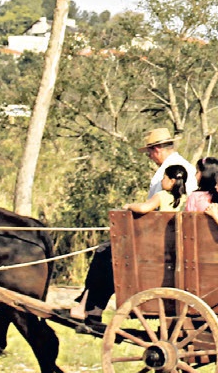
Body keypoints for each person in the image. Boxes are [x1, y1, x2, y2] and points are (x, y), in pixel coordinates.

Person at [78, 128, 196, 325]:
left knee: (107, 253)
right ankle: (87, 304)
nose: (149, 156)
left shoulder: (168, 173)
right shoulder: (186, 168)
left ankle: (91, 309)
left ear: (157, 149)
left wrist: (129, 208)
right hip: (169, 236)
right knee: (109, 251)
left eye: (150, 152)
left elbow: (151, 209)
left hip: (159, 239)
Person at [141, 128, 196, 198]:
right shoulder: (189, 167)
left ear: (156, 150)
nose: (150, 157)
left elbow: (156, 201)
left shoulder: (163, 172)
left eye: (149, 154)